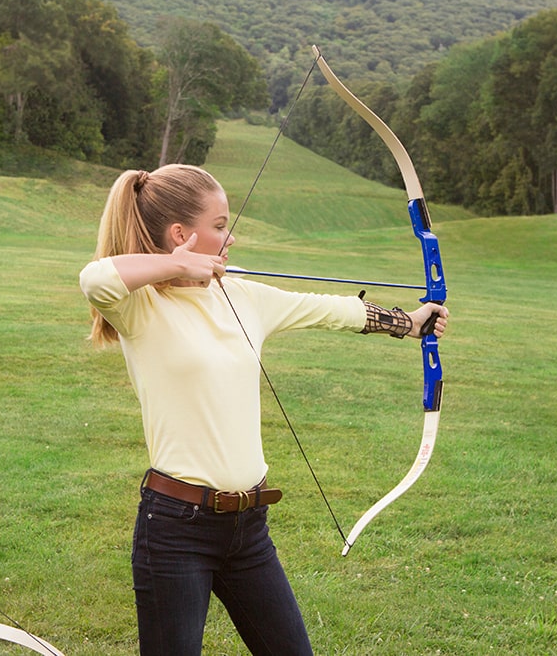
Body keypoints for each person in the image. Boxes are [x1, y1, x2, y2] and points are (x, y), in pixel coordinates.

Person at [79, 164, 448, 655]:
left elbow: (331, 309)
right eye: (219, 225)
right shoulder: (142, 308)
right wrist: (178, 267)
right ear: (180, 235)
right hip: (175, 530)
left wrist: (410, 322)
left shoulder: (243, 296)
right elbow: (95, 278)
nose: (230, 237)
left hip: (248, 530)